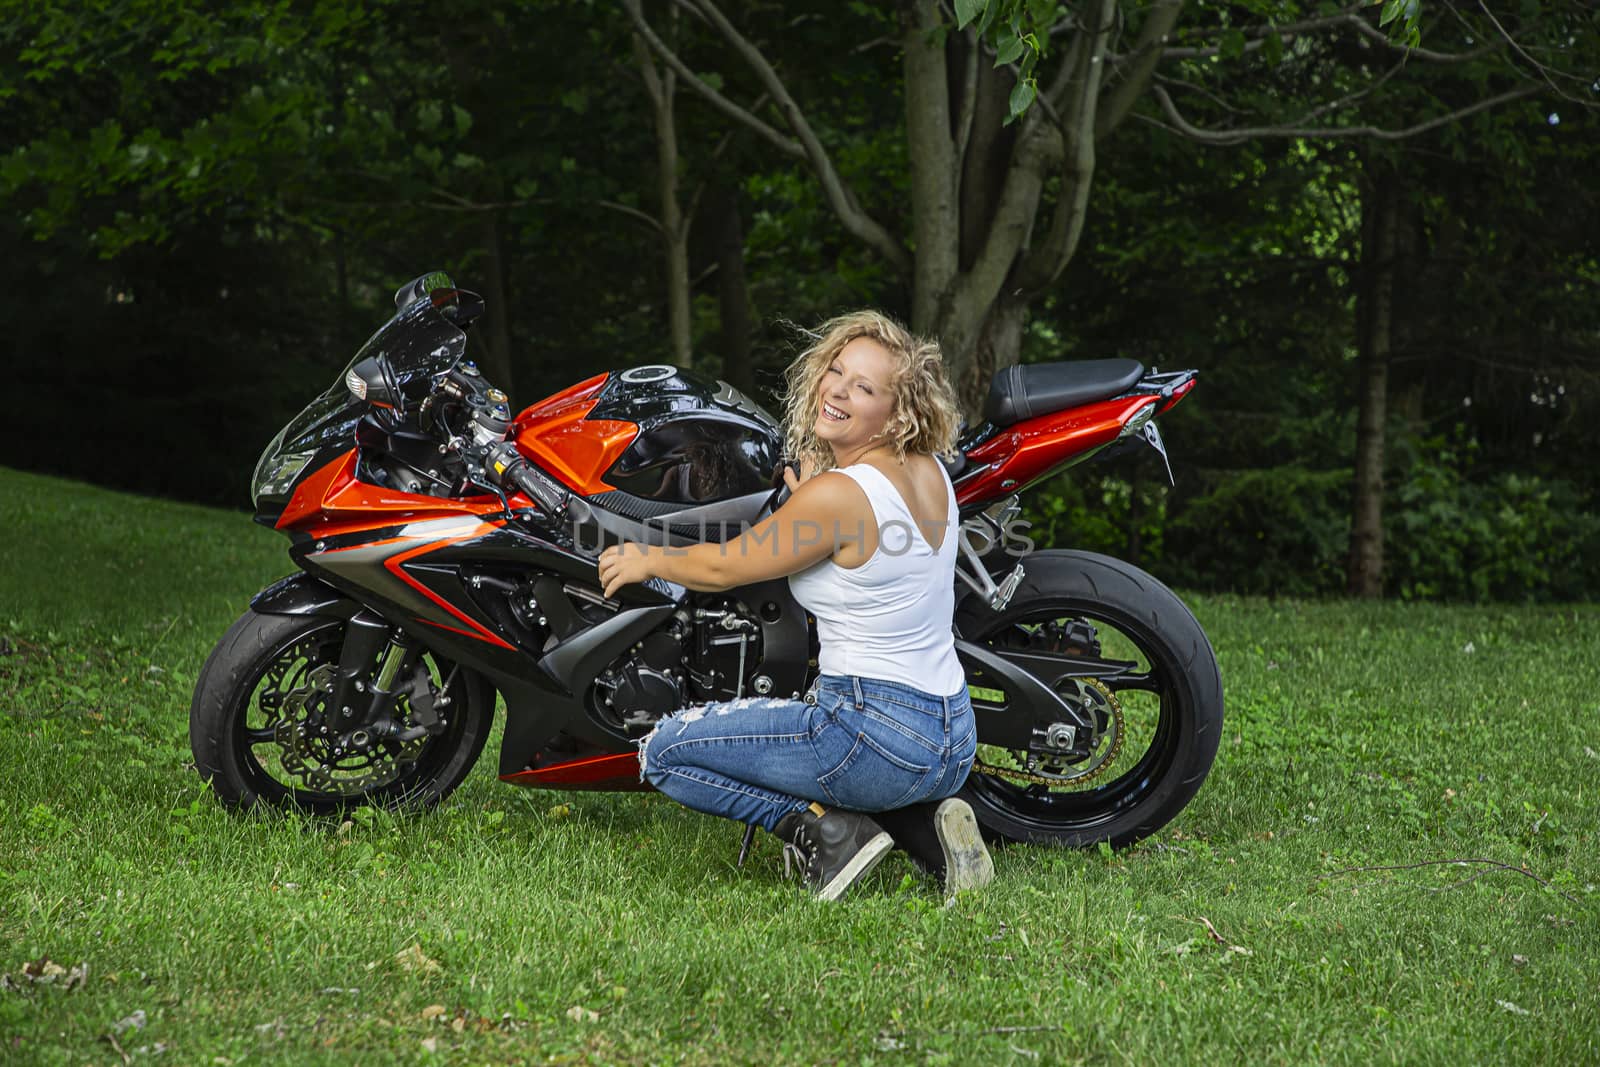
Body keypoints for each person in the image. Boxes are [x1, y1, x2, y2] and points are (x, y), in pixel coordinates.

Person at [596, 311, 992, 901]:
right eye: (836, 372)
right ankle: (925, 833)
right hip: (952, 736)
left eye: (864, 388)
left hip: (871, 732)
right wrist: (813, 490)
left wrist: (648, 561)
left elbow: (726, 567)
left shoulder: (838, 495)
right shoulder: (928, 468)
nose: (838, 390)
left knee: (664, 752)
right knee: (837, 751)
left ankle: (828, 835)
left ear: (899, 410)